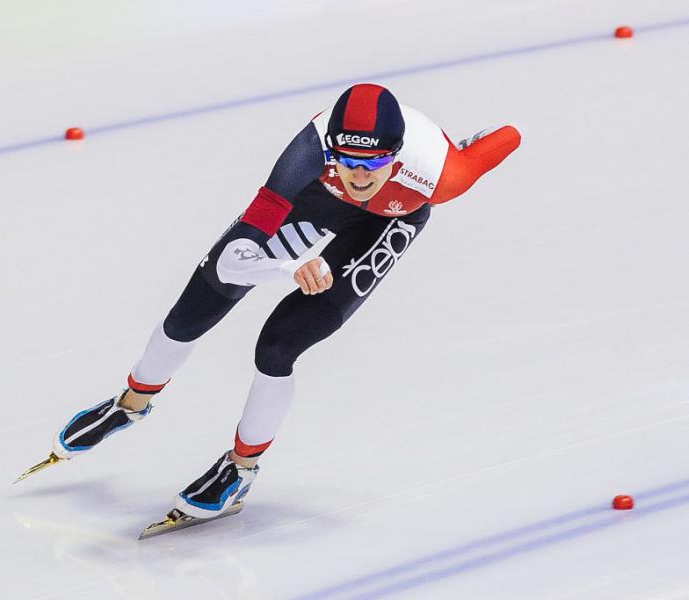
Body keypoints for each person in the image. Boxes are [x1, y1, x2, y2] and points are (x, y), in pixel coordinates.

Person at [46, 83, 521, 519]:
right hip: (318, 198)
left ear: (395, 158)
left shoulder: (442, 175)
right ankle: (131, 402)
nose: (358, 175)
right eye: (347, 160)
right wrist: (287, 267)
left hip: (389, 219)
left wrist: (469, 144)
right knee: (204, 295)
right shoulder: (305, 156)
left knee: (278, 347)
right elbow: (233, 262)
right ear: (329, 149)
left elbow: (508, 137)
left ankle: (240, 469)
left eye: (372, 164)